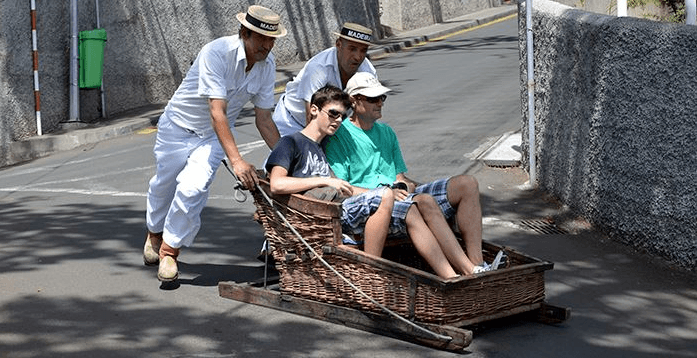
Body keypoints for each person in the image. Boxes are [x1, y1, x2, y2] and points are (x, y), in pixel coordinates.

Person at [143, 5, 287, 282]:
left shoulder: (267, 66)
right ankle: (153, 232)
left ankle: (170, 251)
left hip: (212, 137)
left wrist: (287, 157)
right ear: (245, 33)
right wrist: (237, 160)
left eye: (272, 40)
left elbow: (265, 120)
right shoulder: (216, 52)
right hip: (177, 127)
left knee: (193, 187)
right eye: (262, 39)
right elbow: (216, 111)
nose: (268, 46)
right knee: (165, 183)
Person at [325, 72, 498, 277]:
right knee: (419, 203)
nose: (380, 103)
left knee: (467, 183)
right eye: (373, 99)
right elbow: (344, 187)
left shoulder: (386, 132)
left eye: (382, 98)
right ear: (354, 100)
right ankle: (457, 275)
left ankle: (476, 264)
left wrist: (403, 187)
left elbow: (399, 177)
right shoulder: (339, 136)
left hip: (397, 194)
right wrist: (384, 193)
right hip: (372, 203)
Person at [266, 85, 394, 257]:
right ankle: (372, 266)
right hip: (313, 218)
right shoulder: (291, 143)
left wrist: (380, 193)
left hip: (334, 209)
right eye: (333, 113)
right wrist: (324, 180)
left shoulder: (326, 146)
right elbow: (276, 184)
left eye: (342, 116)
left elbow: (343, 187)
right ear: (314, 110)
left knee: (397, 200)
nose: (338, 120)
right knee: (385, 197)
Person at [272, 22, 377, 137]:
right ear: (339, 45)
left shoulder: (368, 71)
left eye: (363, 50)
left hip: (332, 121)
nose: (358, 57)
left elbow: (369, 111)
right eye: (352, 49)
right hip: (292, 121)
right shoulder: (319, 67)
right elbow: (311, 119)